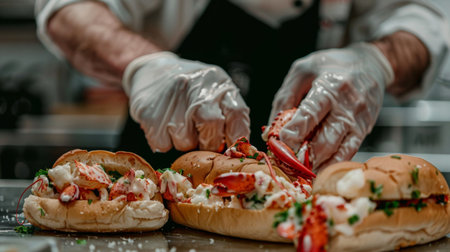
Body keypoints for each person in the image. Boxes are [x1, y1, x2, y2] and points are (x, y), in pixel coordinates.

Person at [35, 0, 449, 171]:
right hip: (157, 161)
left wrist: (377, 61)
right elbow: (67, 8)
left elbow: (426, 18)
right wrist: (144, 63)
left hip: (309, 179)